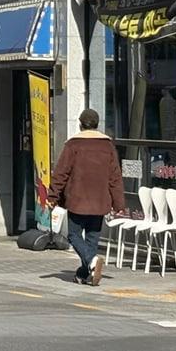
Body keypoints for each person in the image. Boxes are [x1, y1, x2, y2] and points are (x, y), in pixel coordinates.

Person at [47, 108, 125, 287]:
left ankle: (91, 261)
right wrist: (119, 203)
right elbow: (115, 177)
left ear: (81, 124)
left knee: (74, 235)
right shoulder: (108, 146)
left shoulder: (73, 145)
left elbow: (61, 173)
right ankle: (83, 273)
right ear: (97, 125)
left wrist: (52, 196)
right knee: (92, 237)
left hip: (77, 199)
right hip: (100, 200)